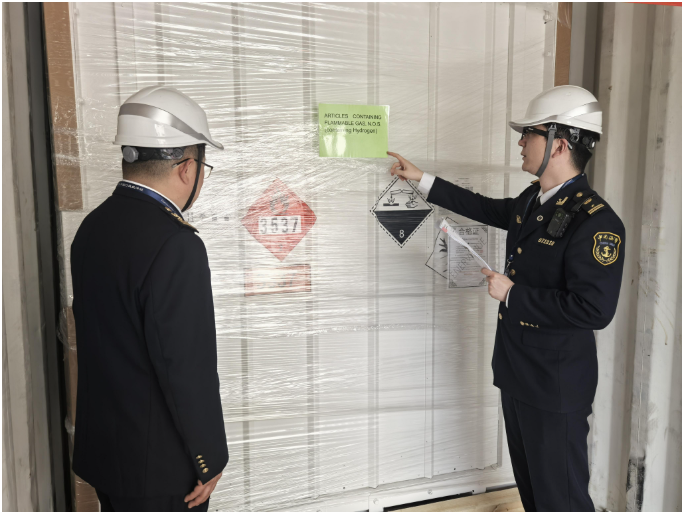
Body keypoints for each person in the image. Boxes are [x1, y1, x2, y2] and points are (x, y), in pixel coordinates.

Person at [388, 85, 625, 511]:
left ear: (559, 143)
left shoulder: (596, 222)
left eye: (529, 133)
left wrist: (514, 294)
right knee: (533, 495)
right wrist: (422, 179)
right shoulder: (533, 200)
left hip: (554, 387)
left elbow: (594, 310)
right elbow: (484, 208)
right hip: (517, 374)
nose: (521, 142)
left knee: (562, 500)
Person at [70, 86, 228, 511]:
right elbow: (186, 368)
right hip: (160, 469)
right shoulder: (176, 244)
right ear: (187, 168)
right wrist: (209, 457)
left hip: (107, 456)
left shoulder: (92, 227)